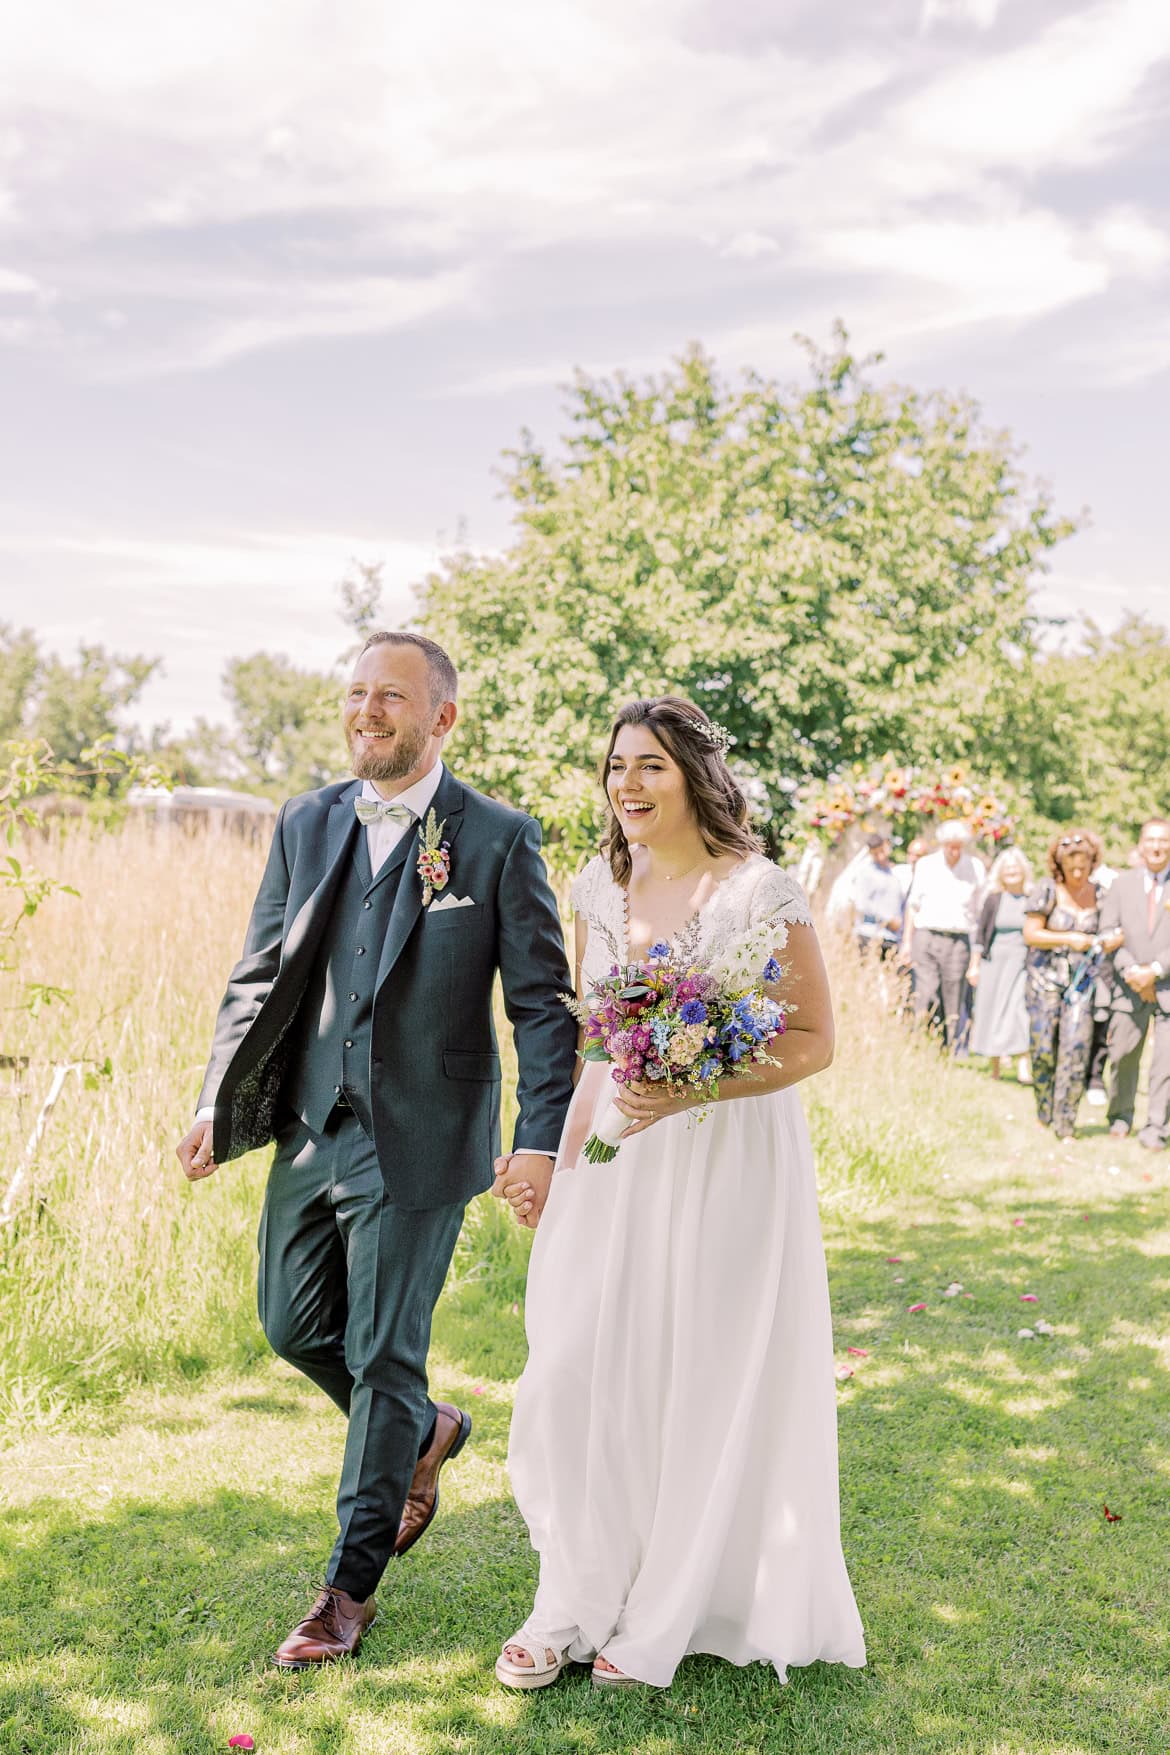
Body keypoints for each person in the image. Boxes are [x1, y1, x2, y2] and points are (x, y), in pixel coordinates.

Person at [176, 632, 577, 1668]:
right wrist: (220, 1105)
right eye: (356, 694)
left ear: (441, 717)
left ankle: (344, 1597)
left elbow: (542, 1007)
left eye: (390, 698)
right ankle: (424, 1432)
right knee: (287, 1323)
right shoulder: (307, 820)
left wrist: (539, 1142)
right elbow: (259, 971)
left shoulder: (495, 838)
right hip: (310, 1126)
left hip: (425, 1138)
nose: (367, 712)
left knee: (379, 1355)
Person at [491, 697, 865, 1692]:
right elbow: (587, 1045)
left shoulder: (761, 890)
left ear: (697, 776)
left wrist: (693, 1082)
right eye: (616, 767)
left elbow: (812, 1041)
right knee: (572, 1364)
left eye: (650, 766)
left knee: (693, 1372)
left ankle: (663, 1610)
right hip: (615, 1153)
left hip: (725, 1155)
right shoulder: (597, 888)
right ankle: (569, 1597)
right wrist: (552, 1160)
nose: (627, 786)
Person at [1022, 829, 1121, 1140]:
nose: (1078, 872)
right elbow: (1031, 933)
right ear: (1059, 864)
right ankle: (1044, 1111)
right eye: (1071, 866)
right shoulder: (1047, 889)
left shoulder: (1103, 894)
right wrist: (1069, 938)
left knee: (1076, 1049)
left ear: (1093, 863)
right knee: (1043, 1050)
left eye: (1084, 865)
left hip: (1082, 984)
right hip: (1045, 980)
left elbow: (1114, 930)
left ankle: (1066, 1122)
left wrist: (1109, 941)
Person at [1099, 816, 1170, 1149]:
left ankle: (1156, 1126)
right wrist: (1133, 972)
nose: (1157, 846)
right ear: (1141, 845)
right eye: (1151, 840)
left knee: (1165, 1064)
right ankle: (1120, 1114)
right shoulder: (1121, 885)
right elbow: (1107, 931)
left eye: (1163, 840)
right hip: (1128, 986)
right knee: (1123, 1053)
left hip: (1167, 985)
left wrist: (1155, 970)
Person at [899, 820, 984, 1047]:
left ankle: (948, 1047)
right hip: (927, 935)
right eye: (950, 846)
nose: (954, 851)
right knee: (925, 991)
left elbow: (978, 913)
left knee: (953, 992)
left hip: (958, 940)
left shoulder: (974, 868)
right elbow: (913, 906)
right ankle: (918, 1040)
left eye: (958, 846)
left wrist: (976, 954)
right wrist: (907, 942)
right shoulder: (927, 865)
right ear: (943, 844)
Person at [967, 849, 1033, 1082]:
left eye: (1016, 869)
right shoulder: (994, 898)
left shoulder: (1031, 898)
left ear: (1023, 872)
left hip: (1021, 963)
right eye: (1008, 870)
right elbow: (981, 934)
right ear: (1001, 874)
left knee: (1020, 1011)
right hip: (994, 961)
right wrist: (974, 966)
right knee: (991, 1010)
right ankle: (995, 1066)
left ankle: (1023, 1063)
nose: (1012, 873)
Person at [850, 831, 905, 958]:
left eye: (882, 851)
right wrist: (888, 920)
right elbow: (862, 905)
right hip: (870, 935)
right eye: (875, 854)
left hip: (891, 938)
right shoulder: (866, 873)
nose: (880, 857)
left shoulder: (893, 873)